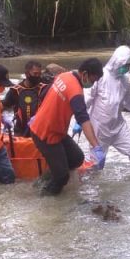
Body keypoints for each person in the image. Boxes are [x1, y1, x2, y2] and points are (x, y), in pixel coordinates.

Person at [27, 58, 107, 196]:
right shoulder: (76, 91)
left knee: (77, 158)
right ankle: (45, 199)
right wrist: (96, 146)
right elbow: (83, 119)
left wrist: (39, 114)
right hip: (45, 134)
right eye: (93, 80)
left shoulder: (64, 76)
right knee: (62, 177)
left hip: (57, 131)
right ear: (85, 74)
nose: (92, 84)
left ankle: (45, 179)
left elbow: (45, 93)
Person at [79, 46, 130, 176]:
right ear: (118, 62)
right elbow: (87, 99)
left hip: (118, 127)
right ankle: (86, 184)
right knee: (95, 164)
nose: (127, 68)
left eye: (129, 65)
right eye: (125, 65)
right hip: (99, 129)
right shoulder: (100, 76)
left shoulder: (124, 80)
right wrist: (80, 121)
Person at [3, 60, 49, 136]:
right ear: (27, 73)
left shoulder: (44, 89)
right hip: (20, 131)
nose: (37, 76)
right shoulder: (15, 90)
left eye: (39, 74)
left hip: (39, 130)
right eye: (35, 73)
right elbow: (4, 106)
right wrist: (4, 118)